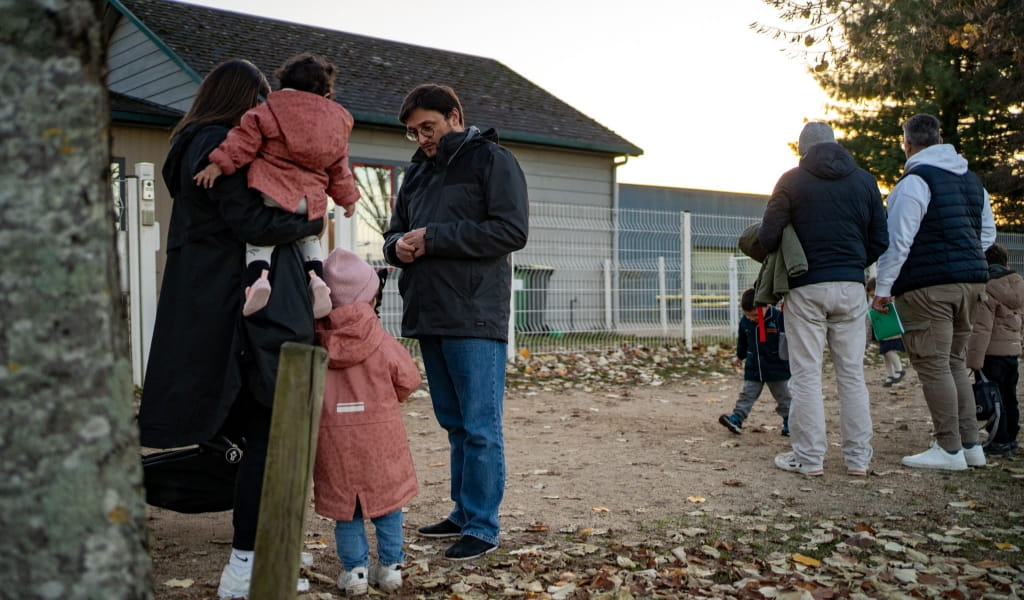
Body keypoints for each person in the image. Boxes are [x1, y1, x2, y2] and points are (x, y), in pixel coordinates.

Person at [136, 59, 325, 599]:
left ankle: (264, 542)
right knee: (267, 432)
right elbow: (252, 221)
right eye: (263, 99)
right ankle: (247, 562)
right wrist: (311, 218)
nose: (269, 113)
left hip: (223, 312)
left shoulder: (195, 144)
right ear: (247, 97)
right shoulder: (217, 143)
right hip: (247, 320)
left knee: (248, 432)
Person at [383, 83, 529, 560]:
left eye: (428, 126)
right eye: (413, 132)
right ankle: (463, 513)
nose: (422, 138)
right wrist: (396, 247)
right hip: (429, 313)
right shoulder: (417, 172)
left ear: (455, 115)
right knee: (454, 424)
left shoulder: (492, 160)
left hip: (474, 315)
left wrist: (435, 237)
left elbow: (510, 231)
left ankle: (484, 527)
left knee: (481, 426)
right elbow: (394, 233)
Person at [759, 121, 888, 477]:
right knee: (852, 376)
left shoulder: (791, 180)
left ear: (802, 150)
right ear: (836, 145)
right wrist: (852, 265)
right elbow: (881, 239)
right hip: (850, 286)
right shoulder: (864, 181)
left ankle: (809, 458)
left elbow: (768, 237)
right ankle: (858, 459)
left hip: (805, 286)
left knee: (805, 376)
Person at [872, 113, 996, 471]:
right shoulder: (973, 182)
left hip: (929, 289)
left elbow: (898, 243)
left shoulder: (914, 182)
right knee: (955, 362)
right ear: (940, 139)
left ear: (907, 144)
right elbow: (987, 236)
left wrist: (882, 290)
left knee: (933, 365)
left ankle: (948, 448)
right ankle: (971, 446)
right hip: (973, 282)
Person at [194, 52, 360, 319]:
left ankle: (258, 280)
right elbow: (339, 168)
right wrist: (348, 198)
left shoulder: (269, 110)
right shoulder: (339, 123)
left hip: (273, 189)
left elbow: (243, 143)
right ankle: (317, 280)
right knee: (308, 237)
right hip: (312, 199)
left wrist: (218, 164)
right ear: (326, 95)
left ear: (283, 84)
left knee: (259, 241)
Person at [313, 249, 421, 596]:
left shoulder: (315, 341)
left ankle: (355, 571)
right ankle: (391, 567)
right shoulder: (380, 340)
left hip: (334, 442)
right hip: (381, 439)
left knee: (347, 510)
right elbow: (408, 380)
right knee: (388, 505)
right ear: (370, 295)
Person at [965, 243, 1023, 457]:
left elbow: (982, 328)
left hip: (991, 353)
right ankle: (1011, 439)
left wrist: (974, 360)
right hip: (1012, 351)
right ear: (1006, 261)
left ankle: (998, 439)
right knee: (1010, 396)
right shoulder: (1018, 285)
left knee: (993, 398)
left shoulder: (988, 287)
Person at [718, 288, 792, 436]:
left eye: (754, 315)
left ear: (766, 306)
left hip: (778, 369)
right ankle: (736, 419)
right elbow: (743, 341)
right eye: (748, 315)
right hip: (754, 368)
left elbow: (788, 340)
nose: (752, 319)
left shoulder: (779, 318)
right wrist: (740, 356)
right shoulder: (745, 322)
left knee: (784, 397)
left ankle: (789, 422)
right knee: (747, 394)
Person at [866, 276, 906, 386]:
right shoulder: (871, 307)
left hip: (892, 333)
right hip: (883, 334)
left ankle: (899, 369)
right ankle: (890, 375)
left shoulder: (889, 302)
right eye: (871, 296)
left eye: (874, 295)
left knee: (888, 351)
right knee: (885, 354)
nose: (873, 298)